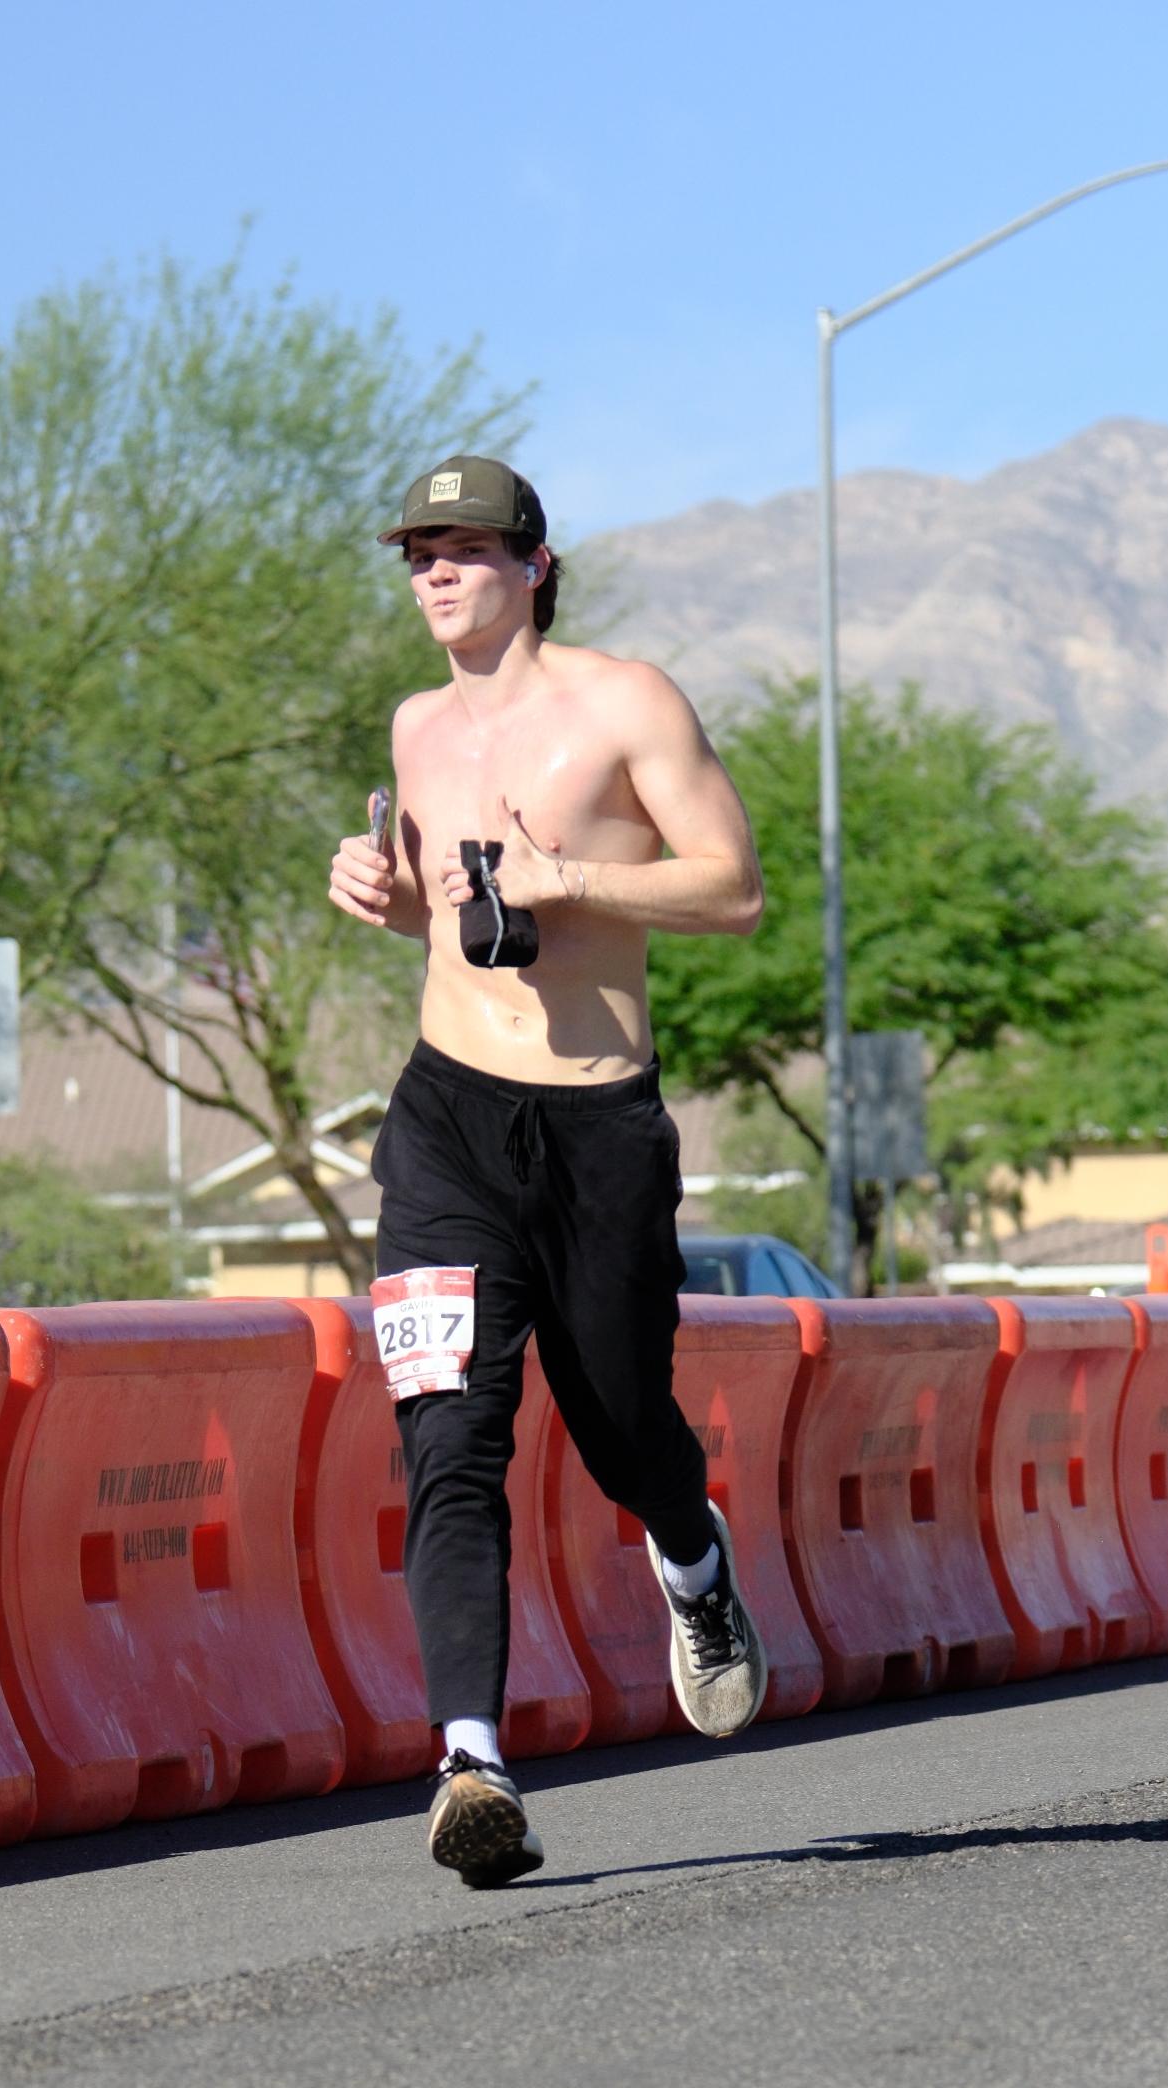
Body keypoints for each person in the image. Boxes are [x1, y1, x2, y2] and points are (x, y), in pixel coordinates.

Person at [327, 456, 769, 1888]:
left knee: (624, 1428)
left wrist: (571, 880)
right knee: (448, 1436)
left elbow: (734, 888)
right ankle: (471, 1763)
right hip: (446, 1128)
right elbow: (443, 916)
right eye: (419, 554)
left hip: (597, 1134)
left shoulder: (626, 704)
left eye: (464, 549)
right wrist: (390, 897)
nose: (437, 574)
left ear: (535, 566)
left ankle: (692, 1562)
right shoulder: (416, 727)